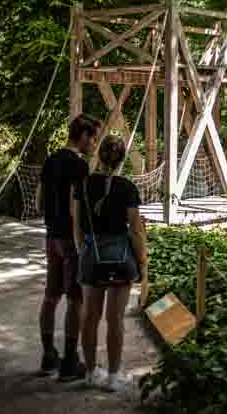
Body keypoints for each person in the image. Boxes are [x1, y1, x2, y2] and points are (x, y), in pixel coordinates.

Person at [72, 135, 147, 392]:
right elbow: (136, 230)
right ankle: (114, 376)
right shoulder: (127, 187)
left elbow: (78, 227)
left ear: (99, 155)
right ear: (122, 158)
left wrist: (85, 250)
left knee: (90, 316)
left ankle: (92, 373)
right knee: (115, 319)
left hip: (92, 256)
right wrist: (143, 263)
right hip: (120, 257)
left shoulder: (82, 185)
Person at [38, 114, 99, 380]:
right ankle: (70, 362)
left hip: (51, 237)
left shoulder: (50, 160)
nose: (94, 143)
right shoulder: (79, 166)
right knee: (76, 300)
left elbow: (39, 202)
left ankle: (48, 355)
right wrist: (82, 241)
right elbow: (78, 211)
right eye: (93, 137)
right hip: (70, 240)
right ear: (83, 135)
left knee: (50, 297)